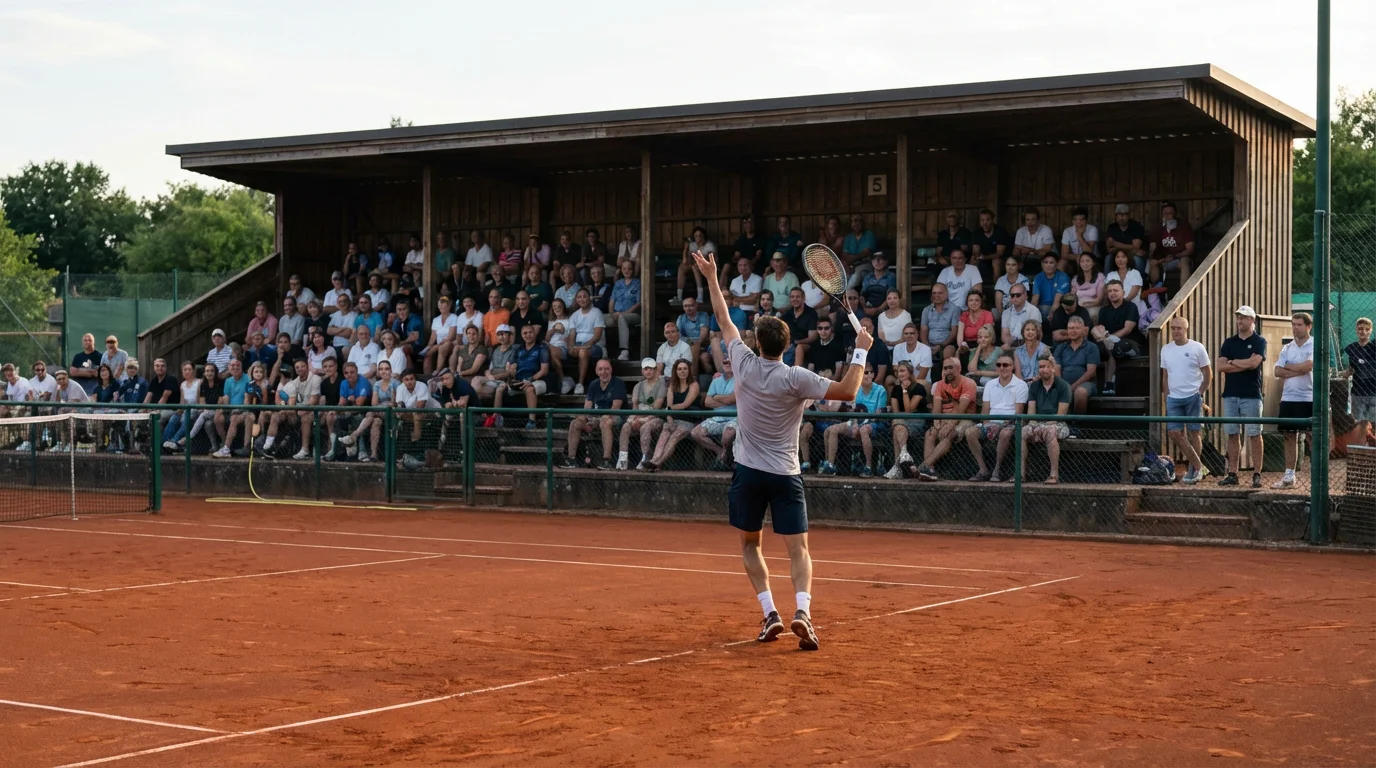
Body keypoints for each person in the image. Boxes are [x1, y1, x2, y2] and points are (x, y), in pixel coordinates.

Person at [689, 246, 872, 651]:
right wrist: (861, 348)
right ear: (787, 347)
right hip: (786, 473)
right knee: (799, 549)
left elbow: (722, 317)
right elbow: (848, 390)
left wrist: (711, 277)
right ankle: (802, 611)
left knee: (750, 546)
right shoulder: (796, 377)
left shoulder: (742, 362)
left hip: (749, 473)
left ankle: (770, 612)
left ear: (757, 342)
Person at [1218, 306, 1268, 488]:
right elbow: (1220, 366)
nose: (1240, 321)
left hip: (1251, 394)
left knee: (1255, 434)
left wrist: (1232, 362)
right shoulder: (1229, 342)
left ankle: (1257, 473)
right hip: (1230, 393)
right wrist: (1242, 364)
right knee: (1232, 433)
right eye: (1238, 318)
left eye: (1244, 318)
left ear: (1252, 320)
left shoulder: (1259, 341)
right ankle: (1232, 473)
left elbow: (1255, 364)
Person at [1160, 317, 1212, 484]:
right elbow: (1165, 375)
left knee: (1193, 432)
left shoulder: (1197, 347)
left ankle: (1192, 468)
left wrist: (1200, 393)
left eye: (1179, 328)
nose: (1175, 331)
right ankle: (1198, 465)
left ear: (1186, 329)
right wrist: (1166, 394)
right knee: (1174, 432)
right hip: (1173, 397)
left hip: (1192, 396)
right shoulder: (1166, 349)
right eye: (1173, 328)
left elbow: (1207, 373)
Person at [965, 352, 1028, 482]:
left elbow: (1018, 412)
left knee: (1005, 433)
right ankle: (983, 469)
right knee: (970, 432)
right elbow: (985, 410)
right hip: (992, 421)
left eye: (1006, 365)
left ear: (1012, 367)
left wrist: (999, 425)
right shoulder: (990, 384)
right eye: (999, 365)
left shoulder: (1021, 385)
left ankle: (997, 470)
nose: (1002, 367)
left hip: (1010, 421)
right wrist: (987, 425)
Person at [819, 363, 887, 477]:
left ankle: (868, 467)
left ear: (873, 375)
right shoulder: (856, 389)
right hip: (856, 422)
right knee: (830, 430)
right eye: (865, 373)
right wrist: (855, 423)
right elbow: (853, 410)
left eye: (871, 372)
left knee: (864, 430)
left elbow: (878, 415)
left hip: (874, 424)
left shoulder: (881, 390)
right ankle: (830, 465)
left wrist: (860, 425)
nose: (868, 375)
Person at [915, 357, 977, 481]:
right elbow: (936, 411)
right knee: (930, 433)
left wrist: (950, 424)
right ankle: (930, 470)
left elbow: (961, 411)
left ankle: (924, 466)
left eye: (950, 368)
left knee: (950, 433)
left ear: (958, 369)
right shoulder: (940, 384)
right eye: (945, 368)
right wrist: (937, 424)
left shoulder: (968, 383)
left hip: (965, 418)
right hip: (945, 418)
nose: (947, 371)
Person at [1272, 313, 1315, 489]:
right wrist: (1297, 370)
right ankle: (1289, 476)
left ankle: (1318, 477)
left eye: (1298, 324)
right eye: (1293, 324)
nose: (1295, 327)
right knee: (1289, 436)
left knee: (1313, 437)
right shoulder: (1287, 348)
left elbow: (1309, 366)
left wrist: (1289, 367)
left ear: (1308, 326)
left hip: (1309, 397)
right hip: (1289, 397)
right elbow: (1277, 371)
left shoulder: (1314, 344)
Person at [563, 358, 625, 470]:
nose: (603, 372)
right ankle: (571, 459)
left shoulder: (618, 383)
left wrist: (600, 418)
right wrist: (584, 418)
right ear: (596, 371)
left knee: (605, 421)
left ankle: (607, 461)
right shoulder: (593, 384)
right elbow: (587, 405)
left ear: (611, 370)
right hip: (596, 417)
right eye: (600, 369)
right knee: (575, 423)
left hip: (616, 417)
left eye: (606, 369)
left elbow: (615, 407)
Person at [642, 359, 700, 471]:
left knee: (675, 436)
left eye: (685, 369)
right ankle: (654, 460)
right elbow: (669, 405)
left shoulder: (694, 384)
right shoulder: (673, 385)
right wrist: (669, 418)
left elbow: (685, 404)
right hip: (673, 419)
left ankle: (657, 463)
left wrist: (669, 409)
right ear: (675, 371)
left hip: (688, 421)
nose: (682, 371)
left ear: (689, 370)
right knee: (665, 432)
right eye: (679, 369)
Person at [1023, 356, 1072, 484]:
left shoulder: (1063, 386)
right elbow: (1031, 412)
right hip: (1038, 422)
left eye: (1046, 366)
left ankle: (1054, 474)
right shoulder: (1034, 386)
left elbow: (1061, 415)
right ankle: (1021, 473)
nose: (1043, 370)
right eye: (1040, 367)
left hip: (1058, 423)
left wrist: (1042, 425)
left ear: (1053, 368)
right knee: (1022, 432)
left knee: (1050, 431)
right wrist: (1033, 423)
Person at [494, 324, 551, 429]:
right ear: (521, 335)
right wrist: (511, 372)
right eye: (525, 333)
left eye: (530, 332)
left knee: (529, 388)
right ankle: (496, 418)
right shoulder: (518, 349)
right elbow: (511, 367)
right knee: (500, 388)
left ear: (534, 333)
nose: (528, 335)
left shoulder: (542, 348)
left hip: (538, 380)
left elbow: (544, 370)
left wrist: (530, 379)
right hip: (519, 380)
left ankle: (532, 421)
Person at [1091, 280, 1142, 395]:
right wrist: (1104, 338)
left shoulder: (1131, 307)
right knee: (1096, 332)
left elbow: (1127, 329)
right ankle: (1109, 383)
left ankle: (1108, 382)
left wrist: (1108, 338)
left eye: (1115, 290)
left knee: (1111, 345)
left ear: (1123, 292)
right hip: (1109, 344)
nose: (1112, 293)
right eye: (1110, 291)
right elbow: (1101, 328)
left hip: (1129, 344)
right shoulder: (1104, 310)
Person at [262, 358, 319, 460]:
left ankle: (305, 450)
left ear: (307, 367)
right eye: (297, 367)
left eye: (302, 366)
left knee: (304, 417)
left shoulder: (315, 379)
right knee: (273, 415)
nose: (300, 369)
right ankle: (267, 446)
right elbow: (283, 402)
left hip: (311, 412)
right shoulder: (294, 383)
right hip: (295, 413)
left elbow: (314, 400)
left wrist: (302, 409)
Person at [615, 358, 666, 470]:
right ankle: (623, 458)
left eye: (651, 369)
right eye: (646, 369)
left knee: (645, 427)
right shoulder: (638, 386)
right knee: (626, 426)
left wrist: (644, 419)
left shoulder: (661, 385)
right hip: (638, 415)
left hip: (655, 417)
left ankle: (645, 458)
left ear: (655, 370)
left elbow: (657, 407)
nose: (648, 371)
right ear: (642, 371)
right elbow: (635, 406)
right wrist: (633, 419)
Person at [881, 361, 928, 478]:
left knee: (897, 425)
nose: (899, 374)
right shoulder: (896, 389)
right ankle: (904, 453)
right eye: (897, 371)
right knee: (898, 425)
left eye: (902, 371)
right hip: (901, 422)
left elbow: (909, 410)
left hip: (917, 421)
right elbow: (896, 412)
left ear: (910, 372)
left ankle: (897, 467)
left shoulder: (919, 388)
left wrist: (905, 391)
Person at [691, 357, 738, 471]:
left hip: (735, 417)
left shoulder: (741, 379)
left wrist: (717, 397)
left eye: (731, 362)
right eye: (725, 362)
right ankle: (720, 452)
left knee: (727, 434)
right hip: (717, 418)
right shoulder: (716, 379)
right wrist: (727, 401)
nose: (728, 364)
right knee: (695, 433)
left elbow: (732, 399)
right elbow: (707, 402)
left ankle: (726, 458)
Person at [1053, 316, 1099, 414]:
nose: (1073, 331)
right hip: (1063, 383)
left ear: (1084, 330)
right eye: (1070, 328)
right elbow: (1057, 369)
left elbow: (1091, 372)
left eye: (1076, 328)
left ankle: (1077, 426)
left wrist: (1073, 387)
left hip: (1086, 384)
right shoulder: (1061, 348)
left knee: (1080, 392)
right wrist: (1063, 386)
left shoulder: (1091, 347)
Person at [330, 361, 371, 461]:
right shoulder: (344, 383)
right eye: (346, 373)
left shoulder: (363, 381)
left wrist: (349, 402)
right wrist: (335, 411)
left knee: (355, 418)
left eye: (352, 372)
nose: (349, 375)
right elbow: (341, 402)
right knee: (331, 416)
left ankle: (361, 451)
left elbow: (360, 403)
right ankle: (333, 450)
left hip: (365, 412)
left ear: (357, 372)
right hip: (350, 410)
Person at [567, 289, 606, 393]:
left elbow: (596, 336)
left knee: (583, 352)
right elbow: (572, 335)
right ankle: (567, 382)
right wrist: (571, 347)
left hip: (595, 346)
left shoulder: (597, 313)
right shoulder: (575, 315)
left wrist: (582, 347)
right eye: (579, 297)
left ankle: (580, 383)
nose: (582, 299)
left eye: (584, 296)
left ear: (590, 298)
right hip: (579, 345)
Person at [1148, 201, 1195, 286]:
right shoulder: (1158, 228)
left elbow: (1190, 249)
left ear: (1175, 215)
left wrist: (1174, 256)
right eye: (1165, 213)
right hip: (1164, 259)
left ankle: (1183, 294)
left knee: (1184, 261)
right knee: (1152, 262)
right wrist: (1159, 259)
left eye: (1170, 213)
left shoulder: (1183, 226)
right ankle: (1155, 293)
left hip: (1179, 258)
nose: (1167, 216)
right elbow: (1153, 248)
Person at [211, 359, 250, 458]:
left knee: (234, 418)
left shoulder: (247, 379)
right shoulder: (228, 381)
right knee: (217, 418)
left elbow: (247, 399)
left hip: (243, 411)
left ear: (241, 367)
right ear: (228, 368)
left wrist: (239, 410)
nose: (235, 367)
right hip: (231, 409)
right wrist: (221, 410)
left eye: (237, 365)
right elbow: (226, 398)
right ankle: (226, 444)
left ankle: (226, 448)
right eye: (232, 365)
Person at [673, 226, 716, 307]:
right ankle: (679, 296)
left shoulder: (709, 245)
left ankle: (700, 296)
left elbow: (709, 259)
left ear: (704, 236)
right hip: (694, 265)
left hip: (708, 266)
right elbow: (687, 260)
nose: (698, 238)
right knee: (682, 267)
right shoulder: (693, 245)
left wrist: (697, 261)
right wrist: (685, 249)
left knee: (695, 267)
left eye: (700, 235)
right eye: (696, 236)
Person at [472, 325, 517, 400]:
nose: (501, 337)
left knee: (478, 391)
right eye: (499, 334)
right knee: (476, 380)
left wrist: (494, 377)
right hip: (492, 379)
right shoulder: (496, 349)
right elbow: (490, 368)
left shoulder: (514, 350)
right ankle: (475, 409)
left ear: (509, 335)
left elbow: (509, 372)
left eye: (504, 334)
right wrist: (488, 374)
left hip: (503, 381)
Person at [609, 258, 641, 361]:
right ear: (621, 270)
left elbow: (639, 303)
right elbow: (612, 301)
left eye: (629, 269)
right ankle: (603, 350)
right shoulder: (618, 283)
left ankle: (624, 351)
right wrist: (612, 313)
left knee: (622, 318)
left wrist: (623, 313)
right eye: (624, 269)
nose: (627, 271)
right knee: (599, 318)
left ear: (633, 270)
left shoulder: (638, 283)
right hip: (616, 313)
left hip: (633, 315)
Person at [920, 283, 959, 362]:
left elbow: (953, 332)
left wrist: (940, 346)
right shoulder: (926, 310)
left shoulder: (954, 309)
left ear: (946, 294)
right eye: (934, 293)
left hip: (946, 344)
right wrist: (927, 347)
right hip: (929, 344)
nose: (936, 295)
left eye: (940, 293)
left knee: (948, 352)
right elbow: (923, 330)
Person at [971, 208, 1012, 282]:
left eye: (987, 220)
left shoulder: (1000, 232)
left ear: (992, 220)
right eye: (982, 220)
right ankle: (976, 288)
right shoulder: (977, 232)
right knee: (973, 261)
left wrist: (983, 257)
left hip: (1001, 260)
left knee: (996, 262)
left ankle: (996, 288)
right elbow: (976, 250)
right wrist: (976, 256)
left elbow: (999, 254)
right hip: (983, 259)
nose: (984, 223)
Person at [422, 296, 460, 376]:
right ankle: (427, 376)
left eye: (445, 304)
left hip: (450, 343)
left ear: (449, 306)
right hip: (439, 344)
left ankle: (438, 372)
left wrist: (438, 345)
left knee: (442, 347)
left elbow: (451, 336)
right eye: (441, 304)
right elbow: (433, 338)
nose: (443, 306)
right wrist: (428, 347)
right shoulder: (436, 320)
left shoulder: (453, 317)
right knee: (428, 353)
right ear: (438, 307)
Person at [936, 250, 981, 316]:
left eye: (960, 258)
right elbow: (938, 291)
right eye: (954, 258)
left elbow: (978, 292)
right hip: (948, 310)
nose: (957, 261)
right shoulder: (945, 271)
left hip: (968, 310)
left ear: (965, 259)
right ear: (950, 259)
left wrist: (970, 308)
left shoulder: (973, 269)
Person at [1105, 204, 1147, 271]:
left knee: (1137, 260)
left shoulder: (1136, 226)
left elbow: (1136, 247)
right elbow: (1109, 249)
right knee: (1108, 258)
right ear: (1116, 216)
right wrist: (1130, 247)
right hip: (1118, 255)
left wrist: (1115, 244)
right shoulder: (1112, 228)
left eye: (1125, 215)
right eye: (1119, 215)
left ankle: (1141, 281)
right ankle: (1107, 281)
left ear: (1129, 215)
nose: (1122, 218)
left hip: (1133, 255)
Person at [676, 296, 712, 376]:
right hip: (686, 344)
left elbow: (704, 331)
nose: (688, 308)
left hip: (703, 344)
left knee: (695, 346)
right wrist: (690, 342)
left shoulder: (703, 315)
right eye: (686, 306)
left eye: (691, 305)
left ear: (696, 305)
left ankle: (693, 376)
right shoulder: (681, 318)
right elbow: (678, 335)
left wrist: (697, 342)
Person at [1012, 206, 1056, 271]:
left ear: (1038, 220)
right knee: (1014, 257)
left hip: (1044, 258)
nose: (1030, 222)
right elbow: (1016, 250)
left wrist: (1030, 250)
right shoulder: (1020, 231)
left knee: (1044, 254)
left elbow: (1047, 250)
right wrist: (1019, 251)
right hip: (1026, 258)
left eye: (1033, 219)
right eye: (1028, 220)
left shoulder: (1046, 230)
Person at [1000, 283, 1040, 352]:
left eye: (1018, 295)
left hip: (1029, 345)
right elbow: (1004, 335)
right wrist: (1013, 344)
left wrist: (1020, 347)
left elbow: (1038, 334)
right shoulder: (1006, 313)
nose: (1015, 298)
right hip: (1012, 343)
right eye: (1012, 295)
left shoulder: (1034, 311)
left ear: (1025, 295)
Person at [1107, 248, 1147, 318]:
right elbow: (1108, 293)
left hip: (1134, 309)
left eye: (1123, 257)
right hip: (1114, 309)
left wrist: (1119, 305)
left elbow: (1131, 296)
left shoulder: (1135, 273)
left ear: (1128, 259)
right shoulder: (1110, 275)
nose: (1120, 260)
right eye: (1117, 257)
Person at [1059, 206, 1100, 274]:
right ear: (1072, 221)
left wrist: (1079, 236)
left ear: (1086, 220)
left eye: (1081, 219)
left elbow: (1089, 252)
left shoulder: (1092, 229)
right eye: (1075, 220)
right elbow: (1064, 255)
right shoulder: (1067, 231)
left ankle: (1081, 283)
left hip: (1092, 259)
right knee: (1062, 263)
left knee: (1083, 260)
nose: (1078, 222)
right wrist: (1078, 257)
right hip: (1073, 259)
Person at [956, 291, 994, 362]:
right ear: (967, 302)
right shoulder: (964, 315)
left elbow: (988, 334)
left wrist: (977, 349)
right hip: (967, 345)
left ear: (981, 302)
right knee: (961, 353)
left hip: (983, 343)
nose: (973, 303)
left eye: (977, 300)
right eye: (971, 300)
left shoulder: (987, 314)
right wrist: (961, 346)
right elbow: (960, 335)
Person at [1031, 253, 1071, 320]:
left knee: (1045, 310)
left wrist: (1052, 313)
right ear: (1042, 264)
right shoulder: (1038, 277)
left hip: (1059, 308)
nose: (1048, 265)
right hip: (1042, 308)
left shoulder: (1063, 276)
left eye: (1051, 262)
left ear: (1056, 264)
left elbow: (1056, 302)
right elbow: (1035, 298)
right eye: (1046, 262)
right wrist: (1031, 314)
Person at [843, 214, 878, 288]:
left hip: (865, 265)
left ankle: (846, 295)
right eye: (854, 221)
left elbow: (866, 253)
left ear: (863, 223)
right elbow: (847, 258)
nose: (856, 223)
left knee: (856, 276)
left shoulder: (869, 234)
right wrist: (856, 257)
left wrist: (852, 258)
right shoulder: (848, 238)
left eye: (859, 221)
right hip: (850, 267)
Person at [1071, 252, 1105, 326]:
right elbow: (1073, 297)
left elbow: (1099, 300)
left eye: (1088, 261)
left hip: (1094, 306)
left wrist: (1084, 305)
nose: (1085, 264)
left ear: (1093, 263)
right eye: (1082, 261)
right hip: (1079, 307)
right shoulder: (1075, 279)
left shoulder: (1100, 276)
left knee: (1091, 314)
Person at [993, 254, 1030, 323]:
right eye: (1008, 264)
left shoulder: (1024, 280)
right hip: (1003, 311)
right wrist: (1004, 315)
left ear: (1018, 266)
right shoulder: (1001, 280)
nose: (1010, 267)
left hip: (1020, 310)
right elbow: (998, 302)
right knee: (993, 313)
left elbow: (1024, 300)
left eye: (1013, 265)